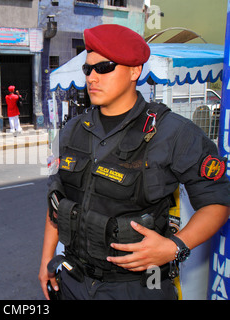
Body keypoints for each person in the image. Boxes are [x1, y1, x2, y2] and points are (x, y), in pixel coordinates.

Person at [38, 24, 230, 300]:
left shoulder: (173, 133)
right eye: (87, 69)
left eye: (104, 68)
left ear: (134, 71)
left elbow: (217, 203)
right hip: (72, 281)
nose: (92, 77)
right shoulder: (73, 130)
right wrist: (46, 261)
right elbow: (56, 201)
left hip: (137, 288)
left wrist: (175, 246)